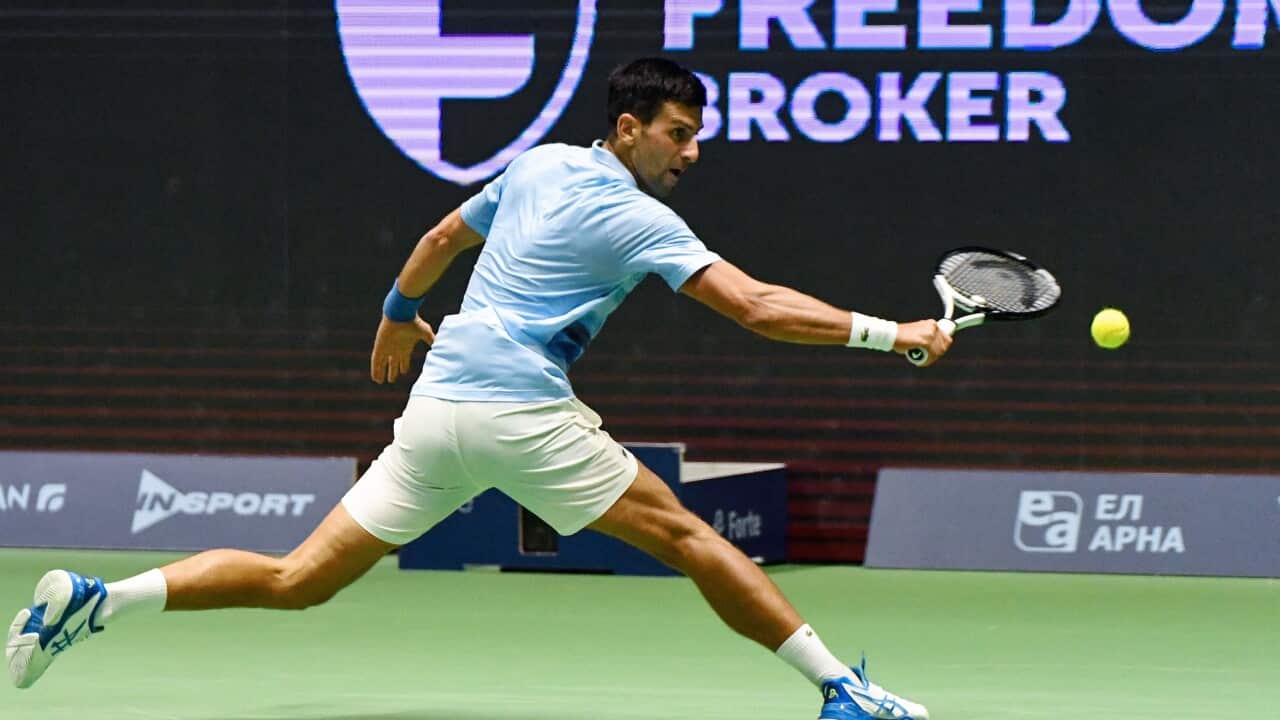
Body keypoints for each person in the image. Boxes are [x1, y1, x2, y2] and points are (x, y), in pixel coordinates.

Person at [6, 58, 949, 719]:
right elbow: (755, 307)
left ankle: (100, 600)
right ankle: (842, 691)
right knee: (692, 539)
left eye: (698, 137)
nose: (691, 153)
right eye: (677, 135)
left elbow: (437, 243)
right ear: (629, 129)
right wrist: (890, 333)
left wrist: (391, 314)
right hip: (520, 411)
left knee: (300, 580)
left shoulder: (536, 164)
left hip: (436, 413)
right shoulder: (634, 214)